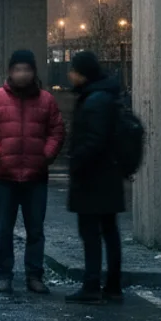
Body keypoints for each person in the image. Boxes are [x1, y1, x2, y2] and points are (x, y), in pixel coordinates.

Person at [0, 49, 65, 295]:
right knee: (3, 229)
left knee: (35, 230)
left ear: (34, 72)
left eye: (27, 69)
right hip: (3, 176)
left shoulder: (46, 100)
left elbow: (57, 131)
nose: (22, 74)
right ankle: (4, 275)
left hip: (35, 177)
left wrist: (45, 156)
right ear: (10, 72)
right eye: (18, 69)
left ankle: (34, 276)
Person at [64, 51, 125, 304]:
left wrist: (76, 161)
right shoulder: (104, 95)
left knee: (91, 233)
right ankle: (112, 285)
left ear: (83, 72)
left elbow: (94, 140)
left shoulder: (95, 99)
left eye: (73, 70)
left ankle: (92, 285)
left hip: (93, 177)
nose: (70, 74)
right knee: (109, 232)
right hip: (106, 175)